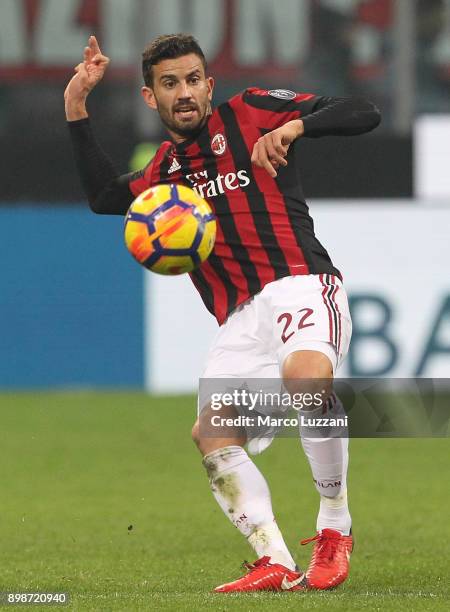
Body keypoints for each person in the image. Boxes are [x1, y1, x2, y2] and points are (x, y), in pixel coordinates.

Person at [64, 33, 381, 593]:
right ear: (150, 97)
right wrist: (76, 109)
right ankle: (275, 560)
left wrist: (294, 126)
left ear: (209, 85)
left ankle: (334, 525)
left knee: (308, 380)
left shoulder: (252, 112)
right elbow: (104, 198)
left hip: (301, 285)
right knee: (211, 435)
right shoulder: (163, 172)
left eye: (192, 80)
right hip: (238, 317)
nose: (183, 93)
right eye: (169, 84)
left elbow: (362, 111)